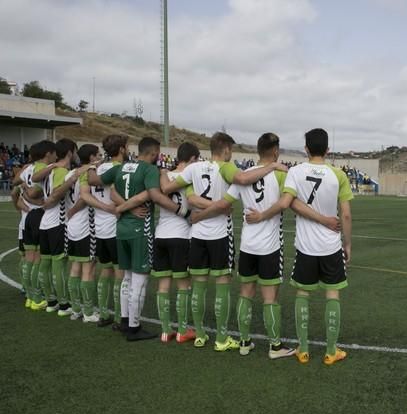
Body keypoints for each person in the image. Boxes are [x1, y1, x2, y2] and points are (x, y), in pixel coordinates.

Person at [195, 133, 339, 359]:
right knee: (270, 296)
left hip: (247, 246)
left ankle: (244, 342)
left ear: (257, 151)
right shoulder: (280, 174)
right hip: (270, 246)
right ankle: (274, 347)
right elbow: (288, 203)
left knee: (246, 293)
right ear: (275, 151)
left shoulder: (245, 175)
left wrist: (198, 216)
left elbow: (223, 203)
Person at [160, 132, 287, 350]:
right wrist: (273, 167)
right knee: (224, 285)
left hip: (197, 234)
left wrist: (163, 172)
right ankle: (221, 338)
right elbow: (243, 182)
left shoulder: (193, 169)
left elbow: (175, 192)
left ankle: (200, 335)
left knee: (198, 286)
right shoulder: (228, 169)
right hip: (222, 235)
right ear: (226, 149)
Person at [246, 128, 353, 365]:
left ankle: (303, 350)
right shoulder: (338, 174)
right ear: (328, 149)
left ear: (306, 148)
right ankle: (331, 350)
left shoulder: (295, 172)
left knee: (302, 293)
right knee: (332, 293)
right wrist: (347, 243)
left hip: (305, 247)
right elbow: (345, 215)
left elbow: (291, 203)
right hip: (330, 246)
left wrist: (317, 218)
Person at [88, 137, 183, 341]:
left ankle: (124, 321)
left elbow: (94, 181)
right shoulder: (149, 170)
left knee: (127, 277)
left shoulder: (122, 167)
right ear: (155, 152)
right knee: (139, 279)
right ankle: (134, 327)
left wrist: (90, 166)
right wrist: (180, 211)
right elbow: (155, 196)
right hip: (141, 229)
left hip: (121, 228)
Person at [126, 142, 200, 343]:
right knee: (183, 284)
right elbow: (194, 202)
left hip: (161, 235)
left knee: (163, 285)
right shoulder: (189, 176)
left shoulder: (162, 176)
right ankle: (183, 330)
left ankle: (166, 331)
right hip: (181, 235)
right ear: (193, 159)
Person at [32, 139, 90, 316]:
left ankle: (51, 301)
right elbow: (57, 192)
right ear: (71, 152)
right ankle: (64, 305)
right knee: (58, 264)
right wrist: (51, 199)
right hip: (57, 222)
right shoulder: (62, 171)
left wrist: (41, 201)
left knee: (46, 263)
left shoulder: (48, 171)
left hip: (45, 223)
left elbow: (35, 187)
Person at [80, 135, 125, 328]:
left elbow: (86, 193)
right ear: (122, 149)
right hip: (115, 226)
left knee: (105, 270)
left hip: (98, 228)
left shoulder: (96, 168)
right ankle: (119, 316)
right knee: (119, 272)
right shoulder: (118, 169)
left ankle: (105, 313)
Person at [66, 144, 102, 322]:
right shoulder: (88, 172)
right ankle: (88, 312)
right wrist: (74, 210)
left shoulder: (70, 174)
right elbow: (84, 196)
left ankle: (75, 309)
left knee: (75, 268)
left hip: (71, 226)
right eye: (98, 154)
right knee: (88, 269)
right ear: (92, 157)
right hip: (85, 226)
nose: (100, 157)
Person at [14, 142, 46, 310]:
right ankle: (36, 294)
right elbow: (34, 193)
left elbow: (14, 184)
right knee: (37, 258)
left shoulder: (27, 169)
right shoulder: (41, 170)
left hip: (26, 219)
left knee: (28, 257)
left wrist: (23, 189)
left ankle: (28, 293)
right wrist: (29, 191)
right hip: (38, 217)